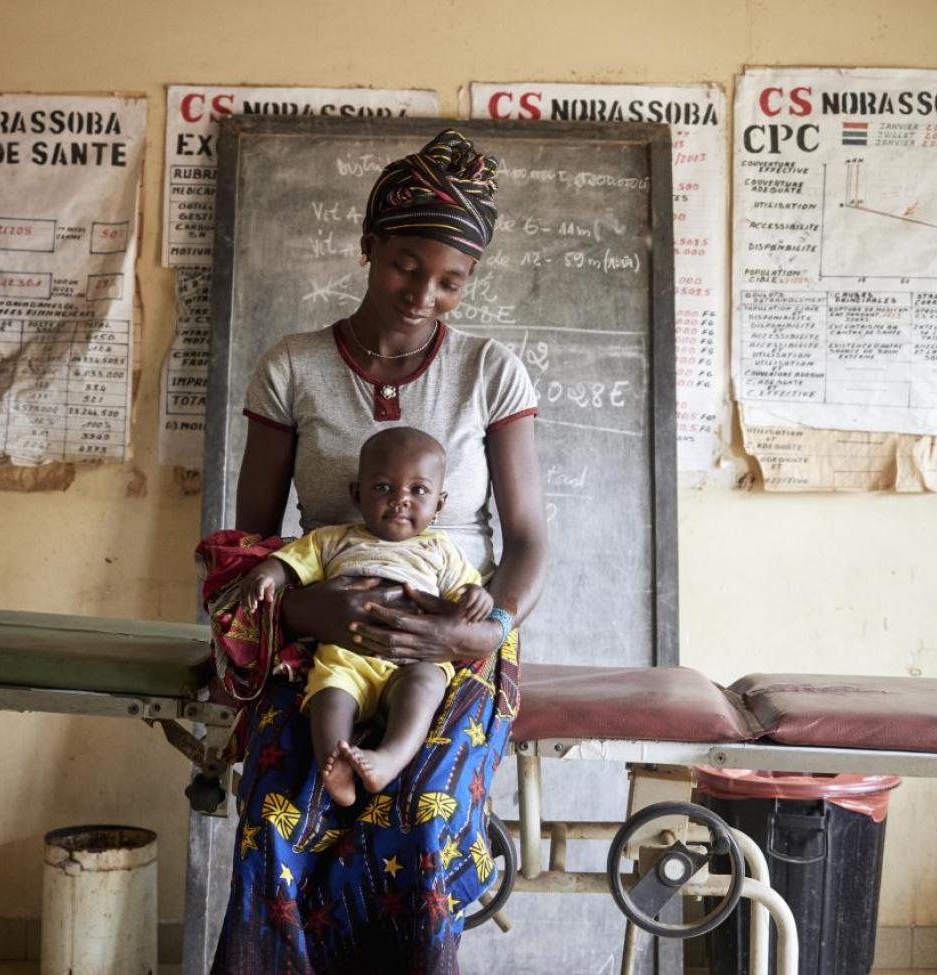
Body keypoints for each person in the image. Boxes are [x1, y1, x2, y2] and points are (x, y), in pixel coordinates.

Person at [206, 129, 547, 975]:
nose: (423, 293)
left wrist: (483, 628)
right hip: (317, 637)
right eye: (405, 265)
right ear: (368, 248)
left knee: (426, 819)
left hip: (455, 640)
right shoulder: (292, 367)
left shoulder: (490, 372)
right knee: (281, 814)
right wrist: (307, 605)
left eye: (450, 280)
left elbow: (530, 538)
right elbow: (249, 545)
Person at [240, 426, 494, 807]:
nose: (400, 500)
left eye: (418, 491)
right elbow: (290, 564)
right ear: (356, 494)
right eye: (382, 488)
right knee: (328, 694)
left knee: (426, 685)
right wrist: (265, 575)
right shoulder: (333, 539)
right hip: (347, 654)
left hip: (414, 658)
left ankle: (389, 759)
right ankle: (337, 765)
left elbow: (464, 599)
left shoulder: (442, 551)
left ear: (439, 505)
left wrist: (478, 598)